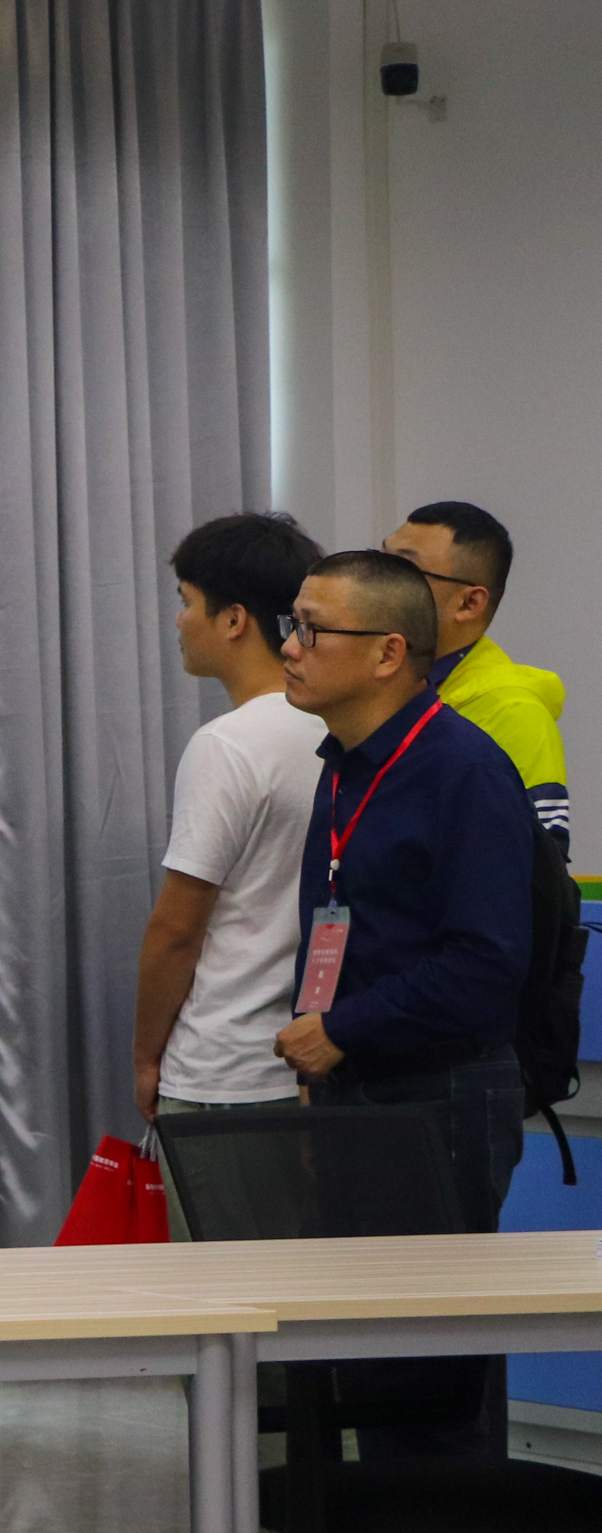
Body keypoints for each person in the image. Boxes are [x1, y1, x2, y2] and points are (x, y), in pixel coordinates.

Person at [276, 550, 531, 1462]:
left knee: (431, 1382)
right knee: (374, 1366)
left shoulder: (461, 770)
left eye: (311, 630)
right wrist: (321, 1058)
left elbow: (485, 962)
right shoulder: (342, 765)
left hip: (437, 1093)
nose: (288, 647)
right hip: (355, 1086)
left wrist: (339, 1029)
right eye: (292, 624)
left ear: (388, 652)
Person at [132, 515, 329, 1238]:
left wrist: (145, 1058)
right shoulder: (341, 728)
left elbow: (177, 929)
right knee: (306, 1294)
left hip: (224, 1074)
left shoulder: (228, 745)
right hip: (317, 1065)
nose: (179, 622)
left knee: (225, 1301)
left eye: (186, 601)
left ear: (235, 619)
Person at [381, 501, 569, 851]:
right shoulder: (383, 685)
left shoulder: (513, 713)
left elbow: (533, 868)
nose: (376, 582)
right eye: (381, 560)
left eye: (404, 568)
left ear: (469, 603)